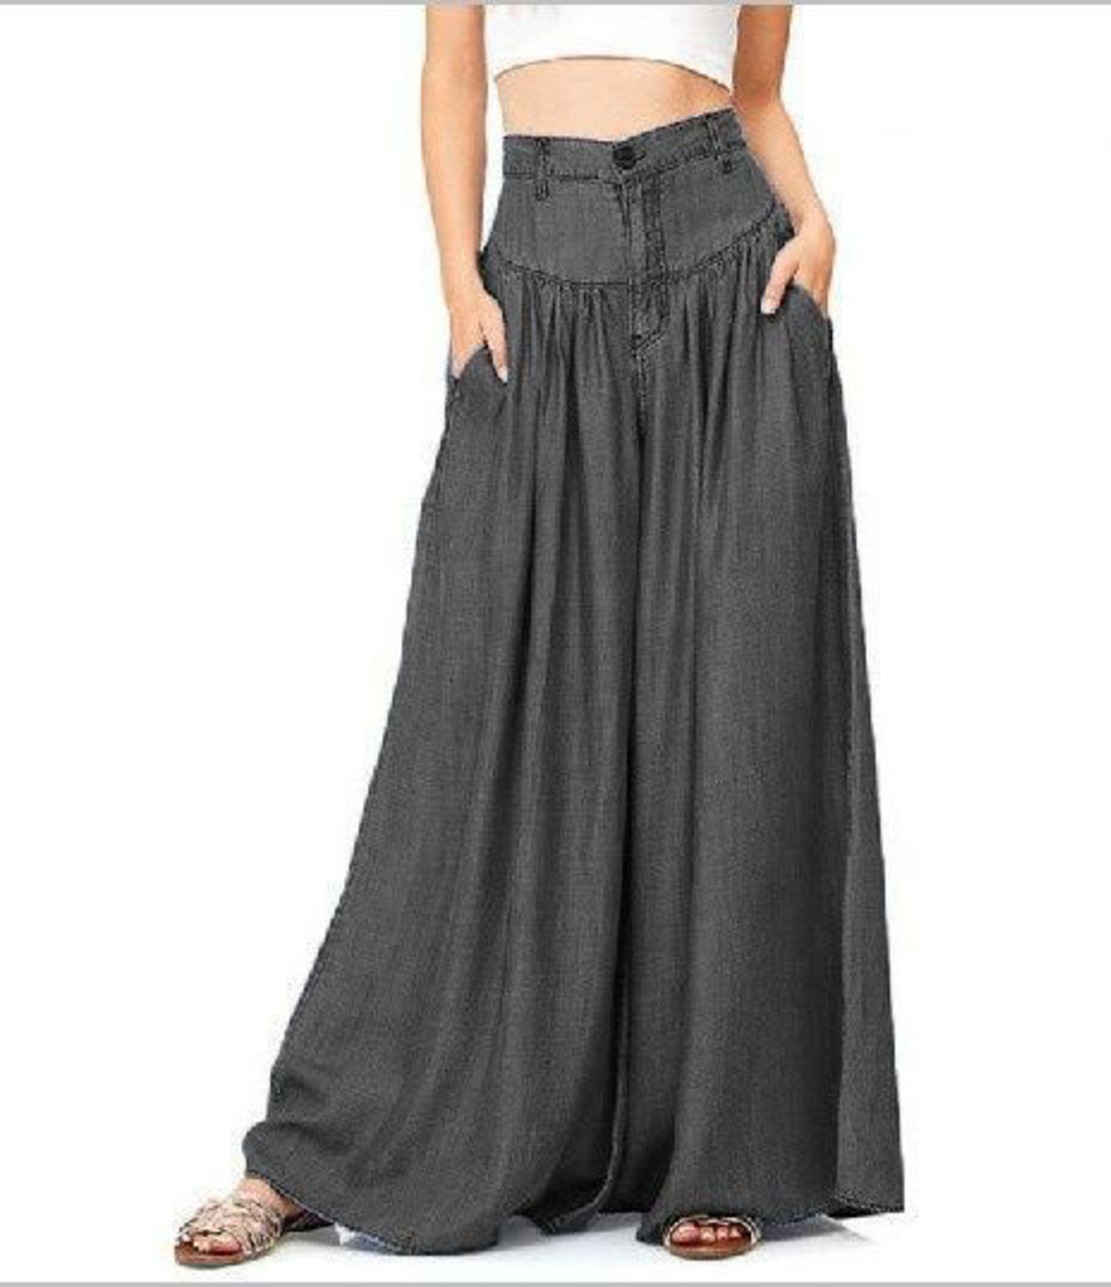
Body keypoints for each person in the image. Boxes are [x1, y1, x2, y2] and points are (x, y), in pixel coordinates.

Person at [175, 3, 902, 1267]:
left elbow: (756, 94)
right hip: (535, 270)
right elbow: (451, 78)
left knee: (736, 703)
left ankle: (723, 1149)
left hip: (736, 270)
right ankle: (308, 1157)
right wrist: (458, 282)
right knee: (470, 715)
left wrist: (819, 226)